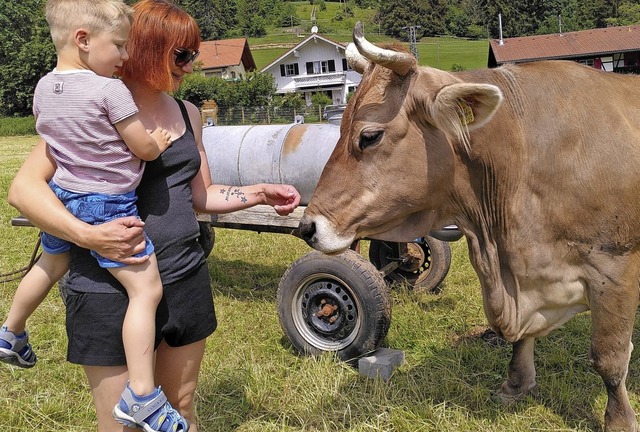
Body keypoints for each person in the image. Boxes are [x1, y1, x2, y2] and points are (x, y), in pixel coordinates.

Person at [7, 0, 301, 431]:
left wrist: (258, 192)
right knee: (120, 426)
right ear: (145, 48)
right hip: (105, 288)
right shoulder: (90, 107)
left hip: (184, 277)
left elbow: (202, 195)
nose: (190, 65)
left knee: (180, 409)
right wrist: (87, 236)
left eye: (192, 54)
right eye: (180, 54)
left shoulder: (189, 114)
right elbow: (23, 190)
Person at [1, 1, 190, 430]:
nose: (124, 57)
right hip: (108, 202)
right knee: (146, 291)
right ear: (83, 40)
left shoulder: (43, 88)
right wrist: (158, 142)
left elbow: (51, 136)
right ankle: (142, 394)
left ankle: (11, 329)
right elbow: (140, 147)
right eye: (119, 46)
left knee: (50, 264)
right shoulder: (110, 90)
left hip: (63, 195)